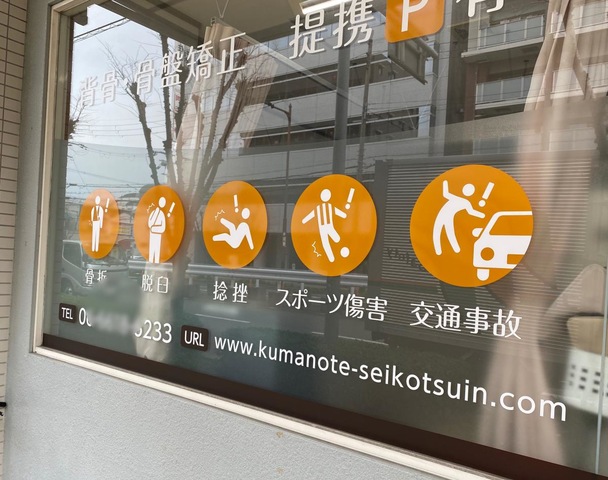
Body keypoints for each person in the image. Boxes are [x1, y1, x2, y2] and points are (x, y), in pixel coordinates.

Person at [433, 180, 485, 255]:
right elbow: (446, 194)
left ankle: (453, 251)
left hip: (447, 217)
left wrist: (482, 215)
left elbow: (471, 212)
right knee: (438, 232)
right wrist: (445, 183)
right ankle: (440, 251)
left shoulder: (465, 202)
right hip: (441, 215)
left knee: (445, 232)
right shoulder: (462, 200)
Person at [302, 188, 347, 263]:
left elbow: (310, 215)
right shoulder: (327, 207)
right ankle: (332, 258)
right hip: (326, 227)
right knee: (329, 241)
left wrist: (304, 220)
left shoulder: (324, 207)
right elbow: (339, 213)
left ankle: (332, 258)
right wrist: (344, 215)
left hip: (325, 228)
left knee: (329, 242)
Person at [148, 197, 166, 263]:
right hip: (152, 234)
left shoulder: (161, 214)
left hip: (158, 235)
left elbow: (163, 227)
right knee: (151, 251)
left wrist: (153, 228)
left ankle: (155, 263)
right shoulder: (154, 213)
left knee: (157, 252)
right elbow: (149, 224)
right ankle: (151, 262)